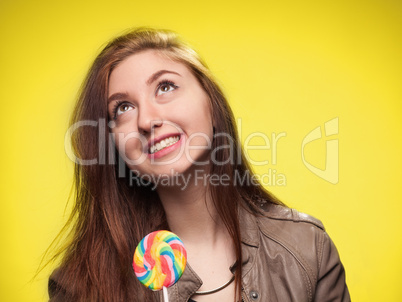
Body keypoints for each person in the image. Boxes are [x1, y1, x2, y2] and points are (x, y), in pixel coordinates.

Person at [48, 28, 350, 302]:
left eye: (165, 86)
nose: (147, 120)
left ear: (211, 102)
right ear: (111, 143)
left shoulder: (307, 249)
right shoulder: (80, 287)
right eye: (123, 108)